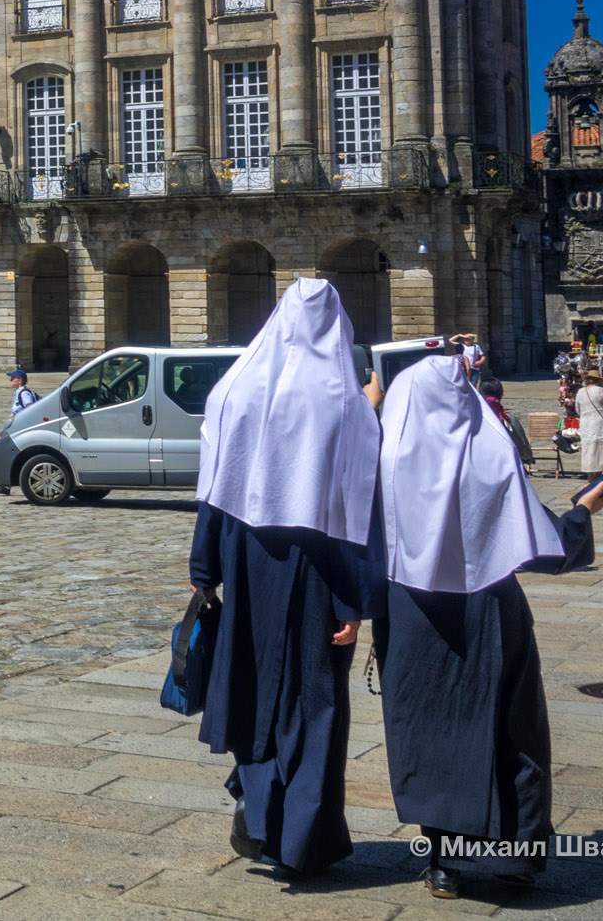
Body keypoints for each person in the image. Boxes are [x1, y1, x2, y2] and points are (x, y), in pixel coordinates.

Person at [367, 355, 603, 899]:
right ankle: (516, 856)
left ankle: (445, 863)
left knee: (432, 731)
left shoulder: (385, 458)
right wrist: (583, 511)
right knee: (511, 728)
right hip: (491, 611)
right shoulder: (490, 451)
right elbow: (539, 541)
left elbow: (361, 544)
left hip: (413, 615)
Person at [189, 278, 379, 878]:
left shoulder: (237, 388)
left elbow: (214, 487)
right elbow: (355, 504)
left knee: (250, 682)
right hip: (319, 567)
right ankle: (302, 837)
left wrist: (205, 570)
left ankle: (259, 814)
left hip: (246, 557)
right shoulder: (344, 401)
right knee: (313, 700)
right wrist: (352, 599)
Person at [573, 369, 603, 483]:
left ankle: (590, 475)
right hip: (599, 423)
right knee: (602, 449)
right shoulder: (601, 391)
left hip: (586, 423)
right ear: (598, 381)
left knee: (588, 448)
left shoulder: (580, 392)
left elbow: (578, 409)